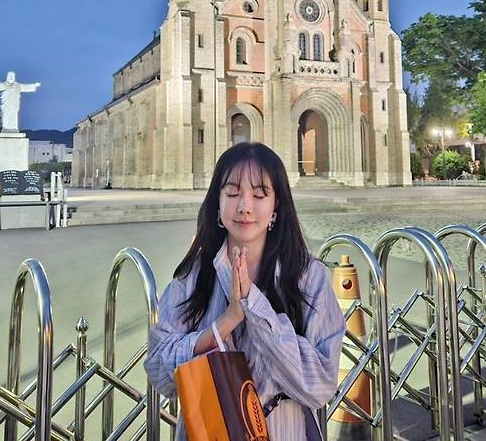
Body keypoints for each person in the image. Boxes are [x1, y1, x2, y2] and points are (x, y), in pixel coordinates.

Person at [144, 142, 346, 440]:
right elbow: (159, 371)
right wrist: (224, 323)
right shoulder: (194, 277)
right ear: (217, 202)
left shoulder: (307, 277)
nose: (245, 206)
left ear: (276, 206)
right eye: (232, 192)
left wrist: (257, 309)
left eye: (260, 194)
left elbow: (321, 384)